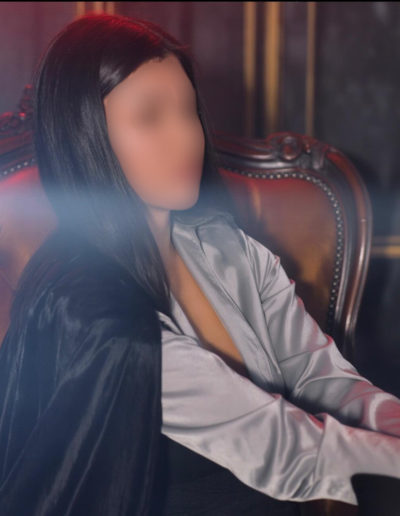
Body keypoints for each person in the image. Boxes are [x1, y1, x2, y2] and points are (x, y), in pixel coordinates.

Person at [0, 11, 399, 516]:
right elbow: (280, 444)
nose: (186, 136)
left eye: (187, 110)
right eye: (150, 117)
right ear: (86, 136)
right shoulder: (90, 312)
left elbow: (321, 378)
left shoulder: (226, 248)